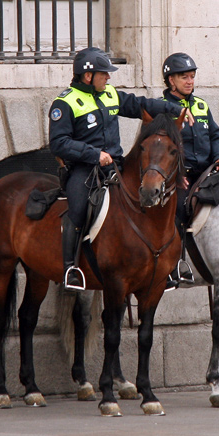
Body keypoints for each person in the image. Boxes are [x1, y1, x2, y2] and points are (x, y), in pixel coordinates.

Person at [49, 47, 189, 291]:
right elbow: (59, 143)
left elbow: (141, 104)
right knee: (79, 208)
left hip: (115, 166)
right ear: (88, 76)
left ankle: (165, 266)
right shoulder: (65, 102)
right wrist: (94, 154)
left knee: (158, 198)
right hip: (85, 170)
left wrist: (175, 110)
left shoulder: (110, 94)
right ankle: (71, 268)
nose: (109, 77)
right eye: (104, 73)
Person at [160, 53, 219, 286]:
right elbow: (161, 150)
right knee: (177, 211)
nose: (190, 81)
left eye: (192, 76)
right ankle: (172, 267)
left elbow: (215, 135)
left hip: (208, 173)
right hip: (180, 178)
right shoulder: (163, 109)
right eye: (184, 77)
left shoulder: (201, 105)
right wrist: (176, 176)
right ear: (171, 81)